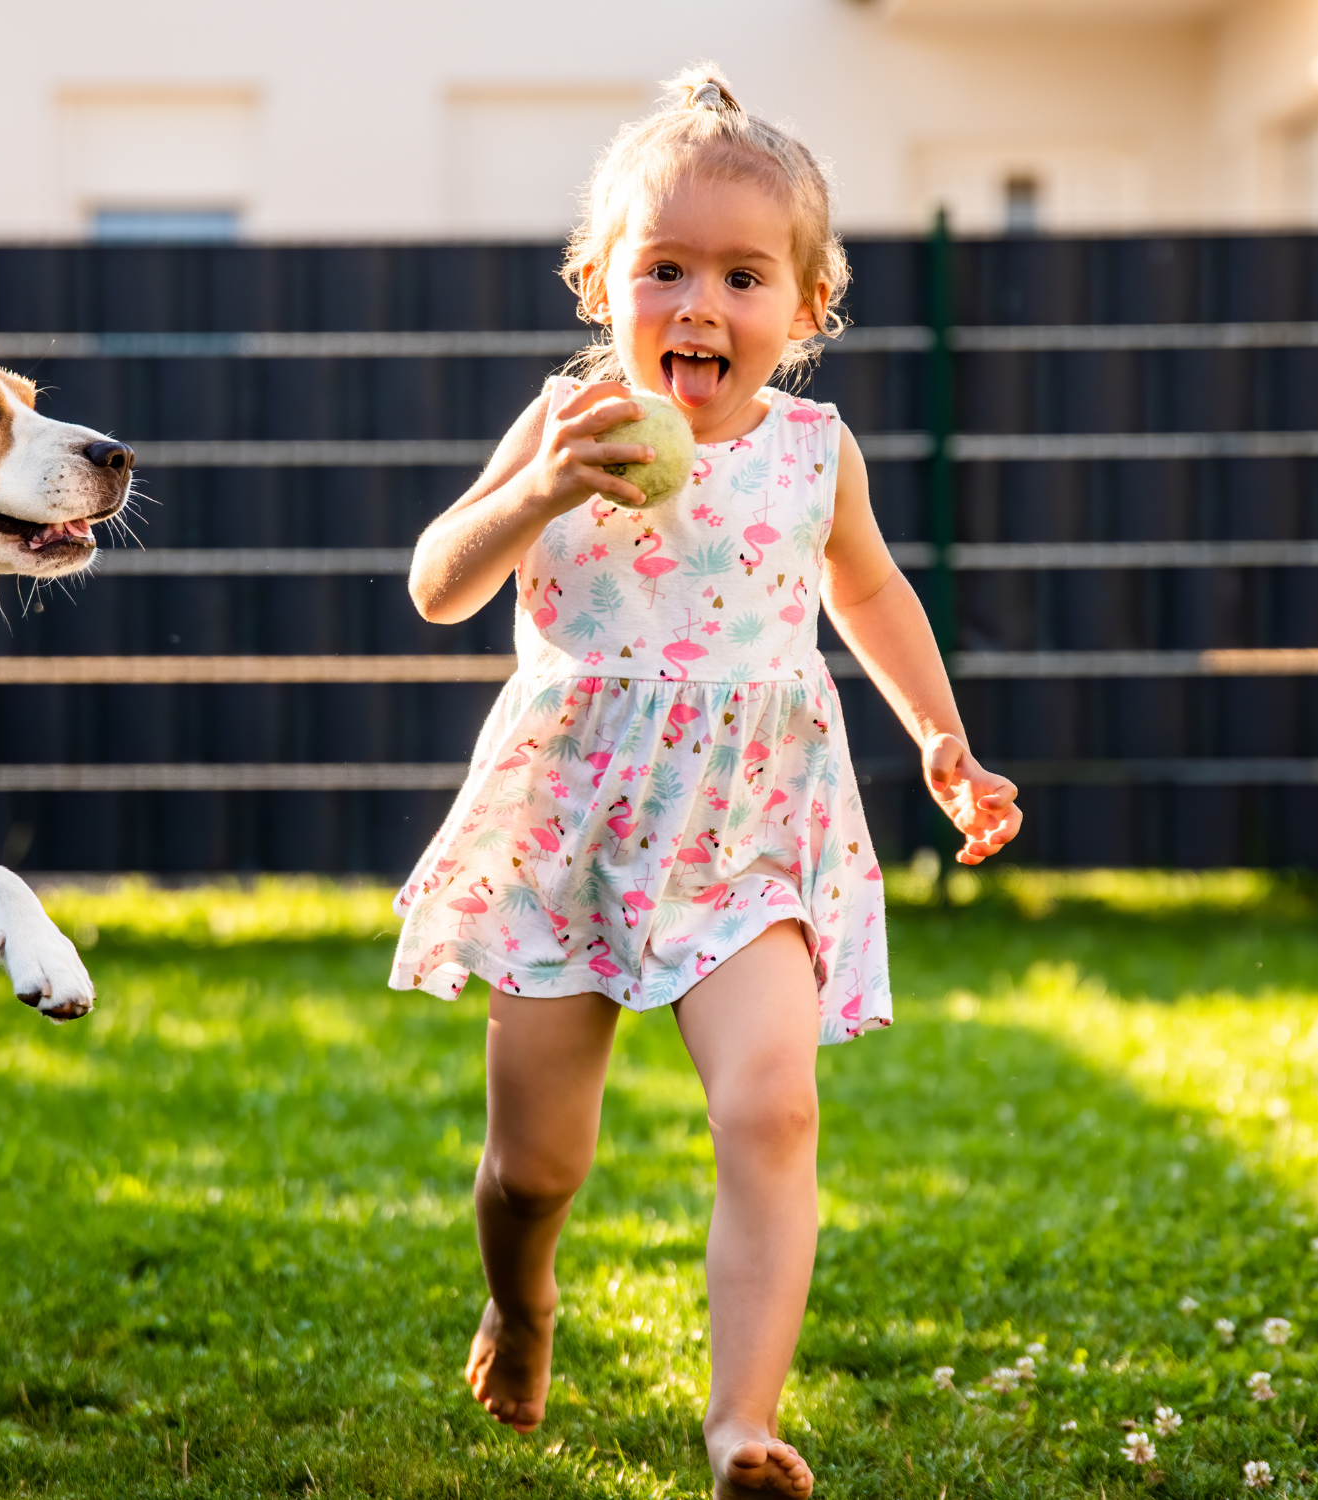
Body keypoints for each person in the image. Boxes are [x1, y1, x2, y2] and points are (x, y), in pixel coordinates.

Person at [392, 65, 1021, 1498]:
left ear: (804, 313)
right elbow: (438, 585)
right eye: (662, 268)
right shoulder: (571, 426)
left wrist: (936, 731)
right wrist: (535, 493)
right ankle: (523, 1294)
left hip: (751, 831)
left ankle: (741, 1421)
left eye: (743, 276)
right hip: (572, 826)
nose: (699, 305)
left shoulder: (815, 454)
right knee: (534, 1164)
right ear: (598, 285)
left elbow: (867, 592)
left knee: (774, 1108)